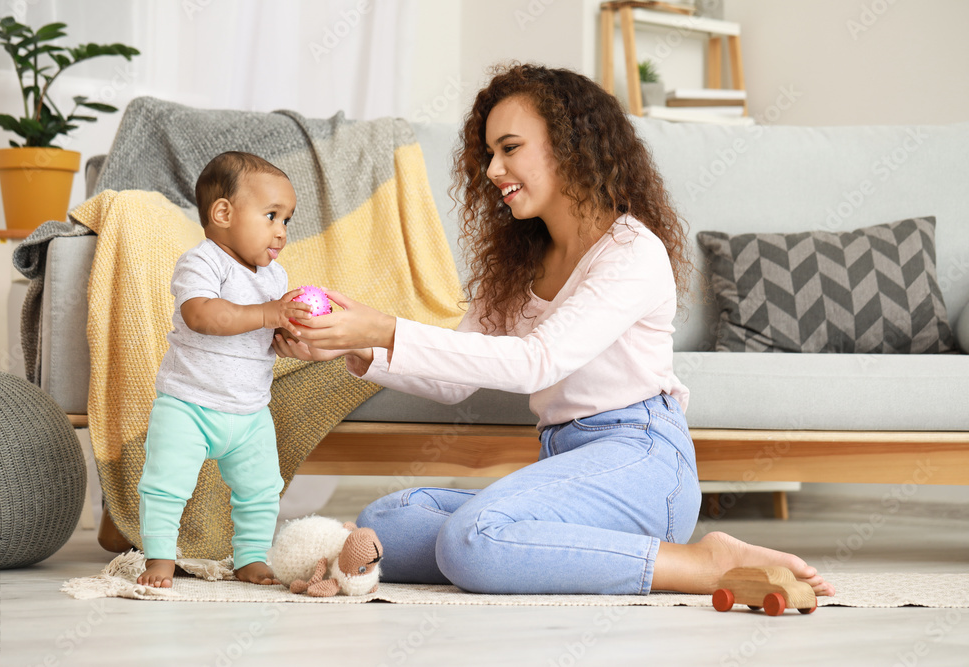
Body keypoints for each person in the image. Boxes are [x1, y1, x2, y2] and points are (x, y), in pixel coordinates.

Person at [275, 63, 836, 598]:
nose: (493, 170)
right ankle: (518, 545)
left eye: (510, 149)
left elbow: (535, 363)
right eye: (489, 154)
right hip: (565, 461)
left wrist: (386, 325)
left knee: (471, 541)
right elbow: (455, 380)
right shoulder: (522, 262)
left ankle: (697, 560)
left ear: (571, 147)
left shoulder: (631, 251)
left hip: (641, 461)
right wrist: (356, 340)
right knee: (385, 521)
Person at [137, 151, 308, 588]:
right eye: (271, 215)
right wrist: (270, 314)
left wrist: (288, 338)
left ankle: (250, 556)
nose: (281, 231)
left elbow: (258, 335)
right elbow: (203, 316)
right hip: (189, 405)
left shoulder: (273, 277)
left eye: (287, 220)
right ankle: (158, 557)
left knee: (261, 489)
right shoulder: (202, 262)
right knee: (166, 485)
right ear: (223, 212)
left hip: (250, 413)